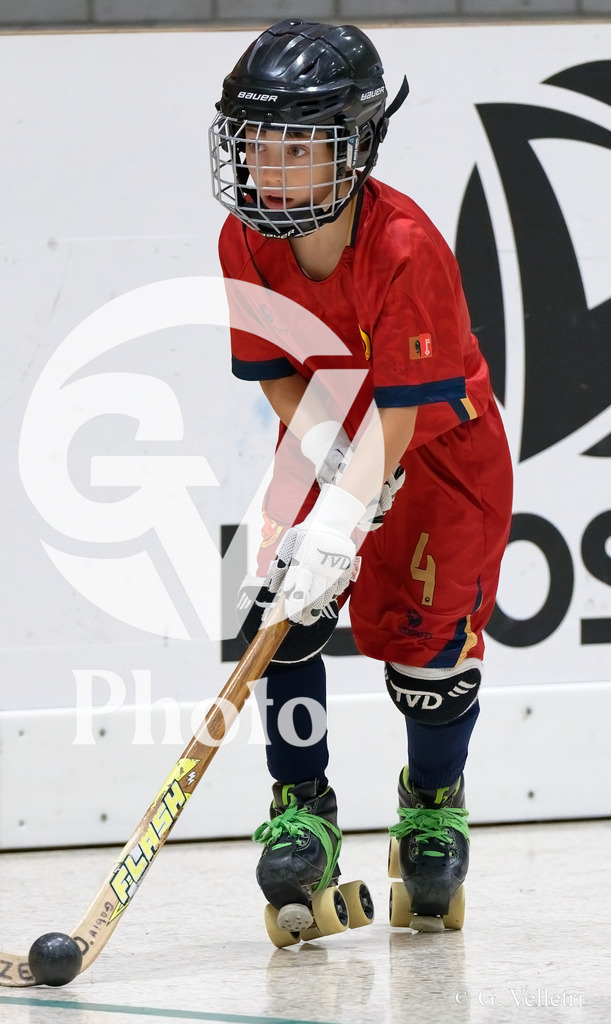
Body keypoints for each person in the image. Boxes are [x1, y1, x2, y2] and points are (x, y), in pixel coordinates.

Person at [208, 20, 513, 936]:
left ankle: (432, 805)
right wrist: (329, 471)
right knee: (278, 618)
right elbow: (276, 372)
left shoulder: (406, 246)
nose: (269, 165)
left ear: (356, 144)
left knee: (429, 656)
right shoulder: (243, 241)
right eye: (257, 142)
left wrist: (343, 521)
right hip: (329, 434)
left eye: (297, 144)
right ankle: (300, 809)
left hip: (440, 454)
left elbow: (404, 415)